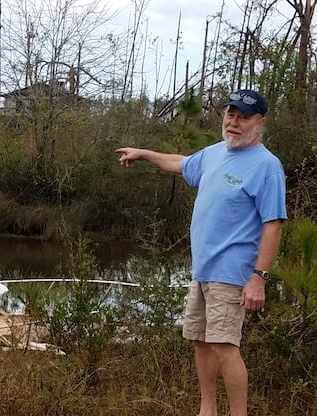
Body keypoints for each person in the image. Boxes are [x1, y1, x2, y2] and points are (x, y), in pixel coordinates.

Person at [116, 89, 287, 416]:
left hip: (232, 271)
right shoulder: (216, 153)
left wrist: (259, 278)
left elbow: (273, 225)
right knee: (201, 341)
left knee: (225, 346)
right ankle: (207, 409)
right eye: (230, 114)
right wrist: (144, 153)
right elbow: (182, 164)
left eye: (243, 117)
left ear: (259, 123)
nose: (234, 122)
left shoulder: (267, 166)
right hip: (202, 269)